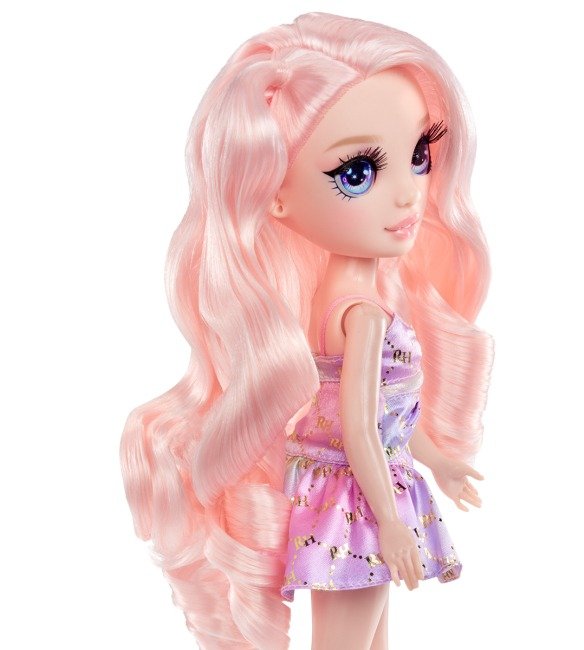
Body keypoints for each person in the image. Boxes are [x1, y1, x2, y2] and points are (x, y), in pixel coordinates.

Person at [120, 12, 494, 650]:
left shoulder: (336, 298)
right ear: (275, 194)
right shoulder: (362, 314)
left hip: (346, 493)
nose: (409, 194)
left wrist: (437, 461)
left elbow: (379, 420)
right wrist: (390, 521)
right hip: (359, 504)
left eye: (419, 156)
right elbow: (358, 430)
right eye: (357, 173)